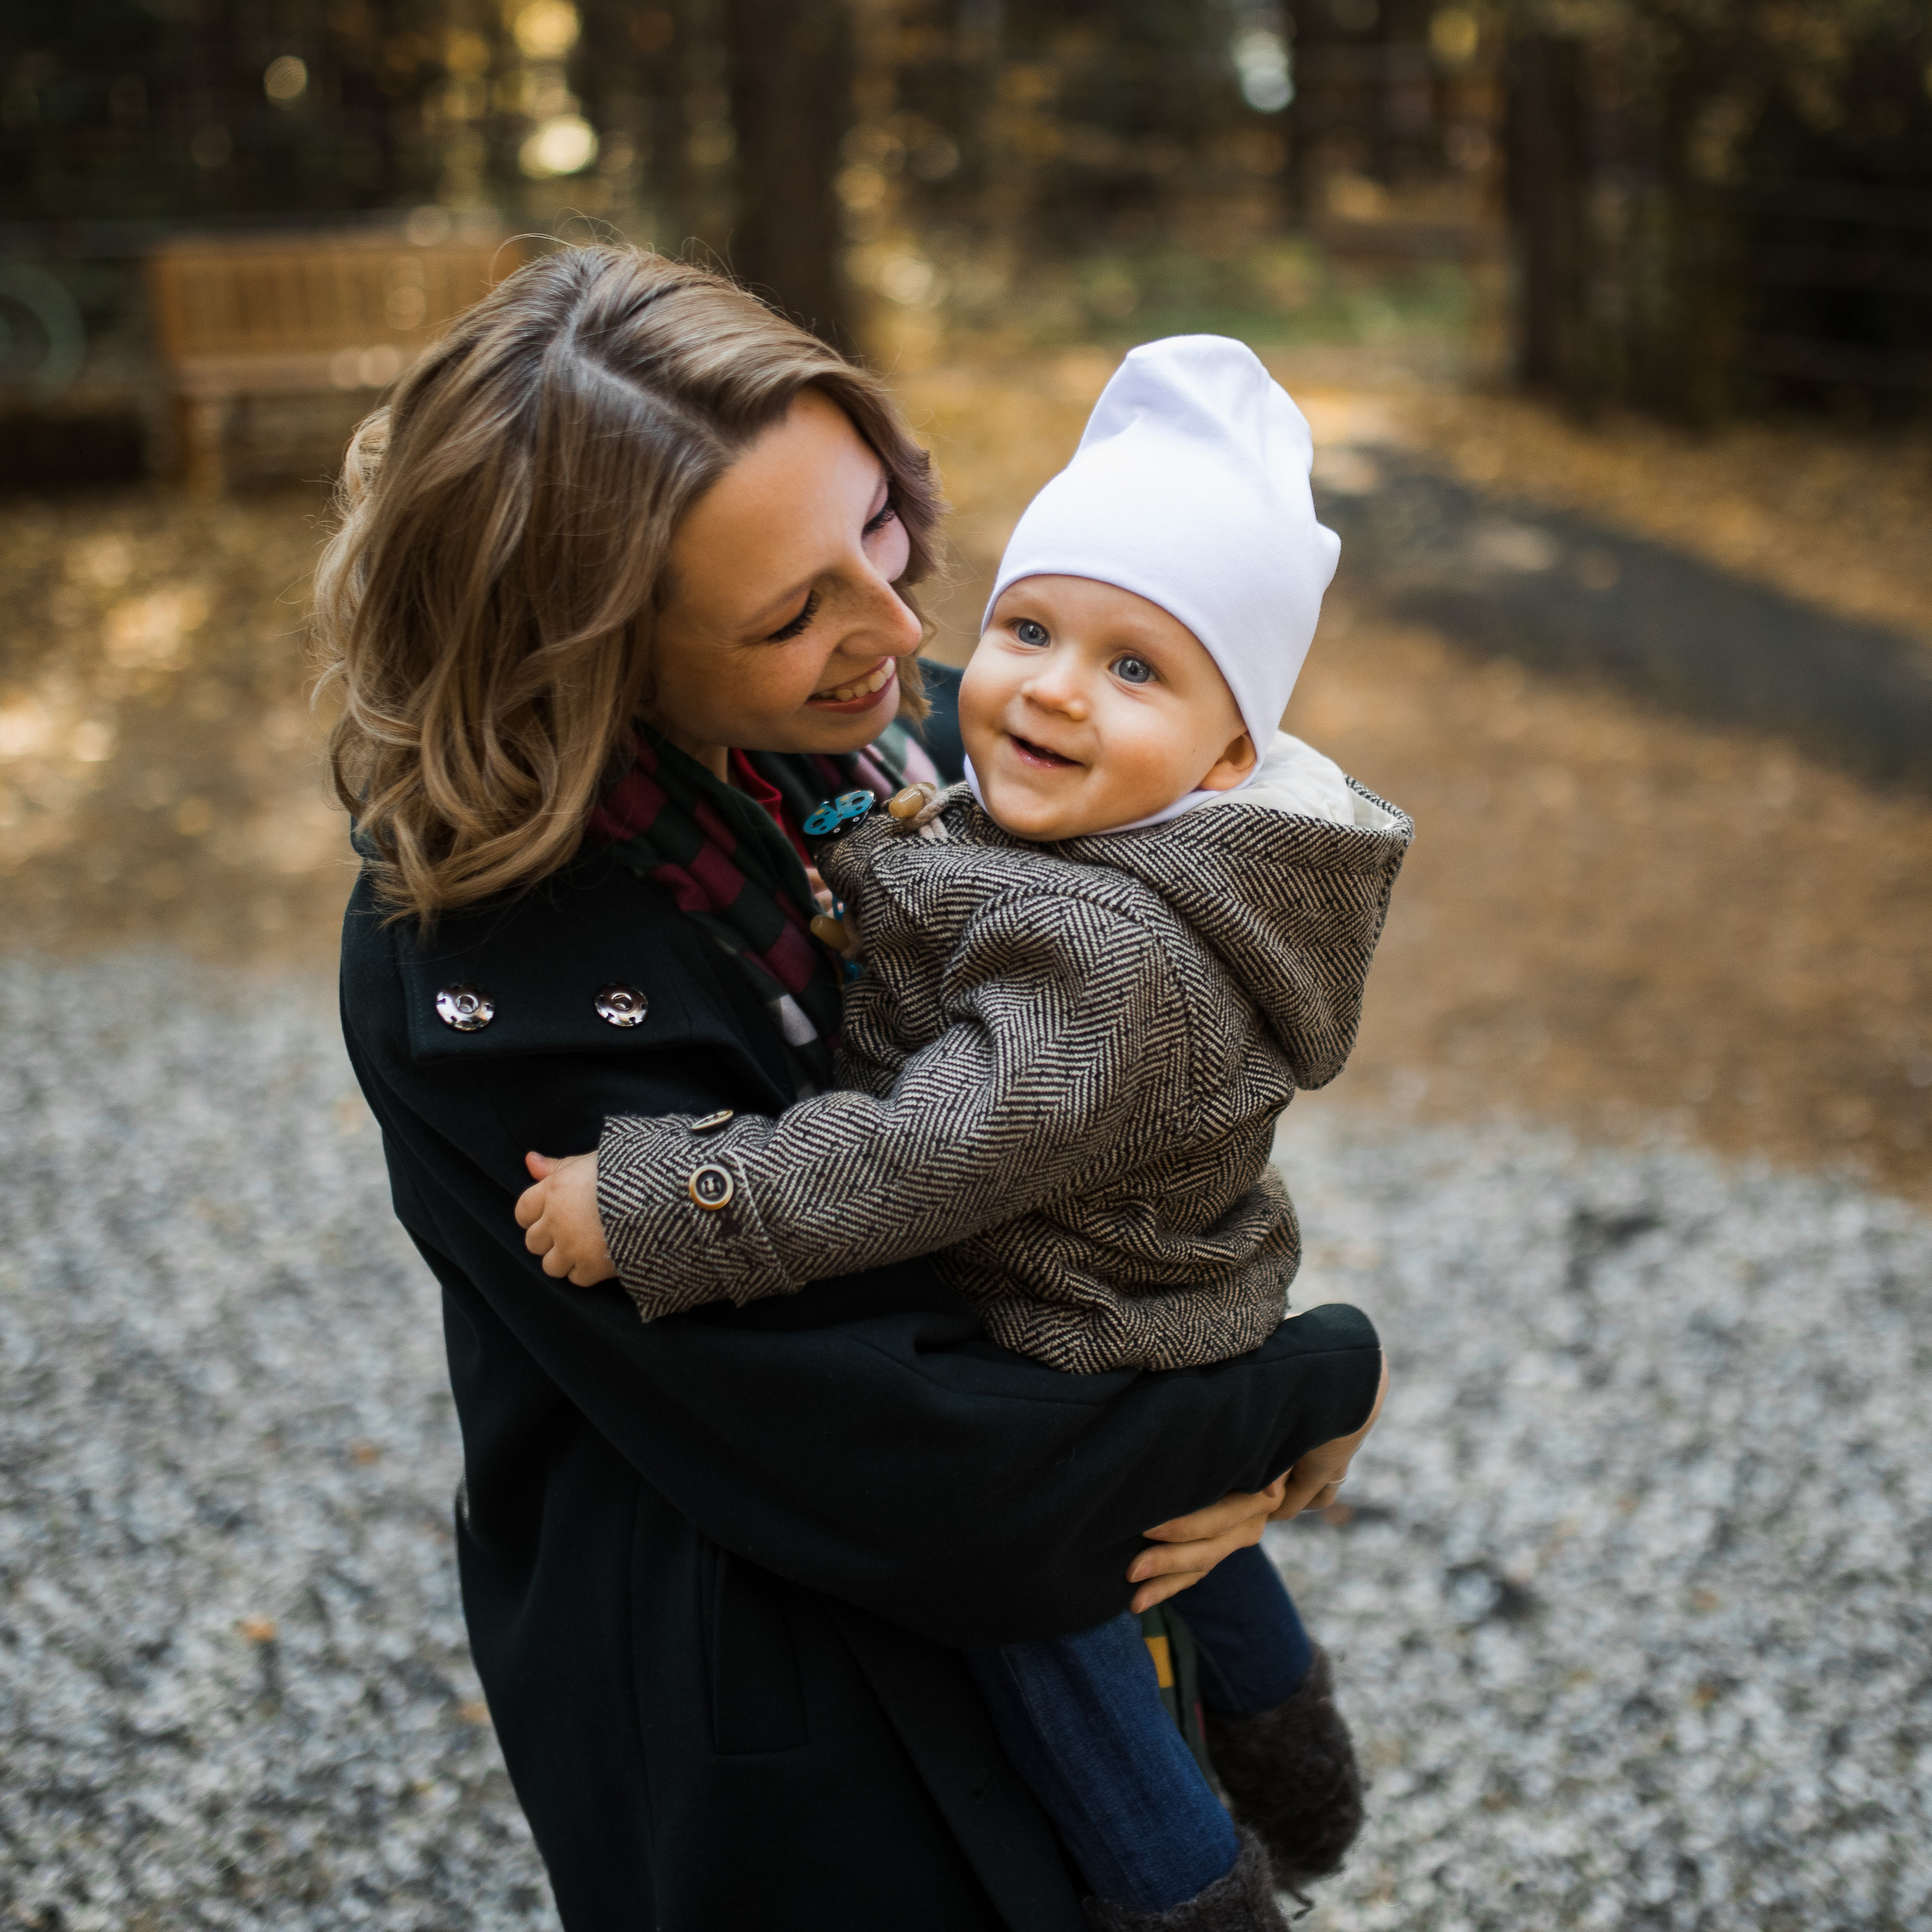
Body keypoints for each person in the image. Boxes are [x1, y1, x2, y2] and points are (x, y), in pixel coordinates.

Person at [322, 246, 1386, 1931]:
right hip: (804, 1739)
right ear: (591, 656)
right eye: (789, 610)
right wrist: (1295, 1381)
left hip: (1077, 1555)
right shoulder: (489, 979)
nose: (903, 627)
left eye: (879, 528)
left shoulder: (917, 745)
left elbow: (1118, 1111)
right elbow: (903, 1463)